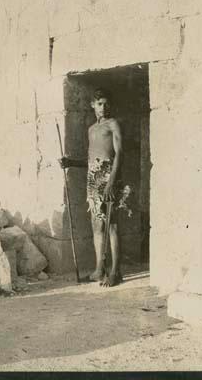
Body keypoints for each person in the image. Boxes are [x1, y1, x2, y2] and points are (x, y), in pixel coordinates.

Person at [60, 88, 130, 287]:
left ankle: (115, 271)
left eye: (106, 103)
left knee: (112, 225)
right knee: (97, 225)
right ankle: (99, 269)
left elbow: (119, 154)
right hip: (93, 179)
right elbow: (91, 160)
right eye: (99, 103)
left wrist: (110, 182)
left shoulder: (113, 124)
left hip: (110, 177)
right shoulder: (91, 129)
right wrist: (71, 162)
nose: (104, 107)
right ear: (92, 105)